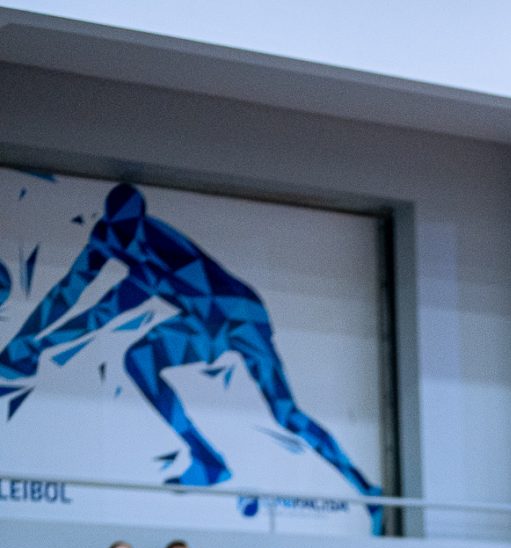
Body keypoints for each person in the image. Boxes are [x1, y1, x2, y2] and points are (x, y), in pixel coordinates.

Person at [0, 183, 380, 505]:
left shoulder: (154, 250)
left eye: (130, 229)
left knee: (285, 414)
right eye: (119, 228)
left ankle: (366, 490)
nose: (125, 236)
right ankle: (208, 459)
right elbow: (67, 292)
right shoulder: (107, 236)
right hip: (206, 318)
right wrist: (22, 342)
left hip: (237, 316)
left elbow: (106, 311)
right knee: (141, 360)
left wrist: (38, 348)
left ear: (139, 221)